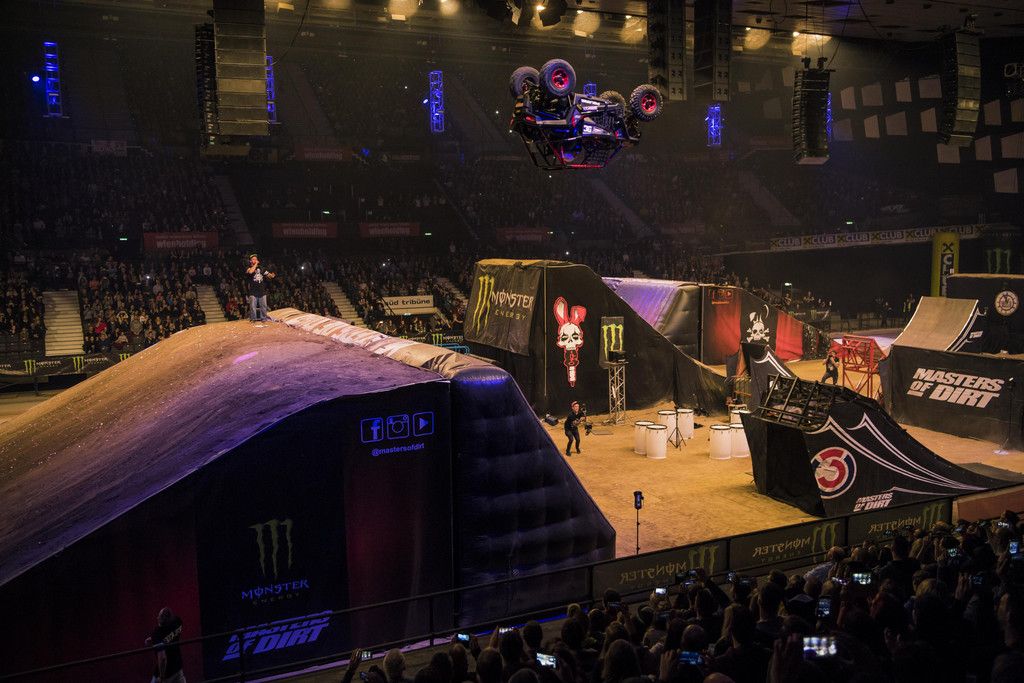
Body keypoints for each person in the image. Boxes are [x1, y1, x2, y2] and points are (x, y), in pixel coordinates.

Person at [146, 607, 184, 683]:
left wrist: (161, 677)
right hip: (178, 668)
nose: (157, 617)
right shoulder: (177, 622)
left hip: (166, 673)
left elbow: (162, 658)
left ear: (161, 619)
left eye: (159, 616)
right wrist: (152, 638)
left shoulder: (157, 633)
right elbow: (168, 635)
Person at [245, 253, 275, 323]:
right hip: (253, 291)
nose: (255, 260)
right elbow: (250, 272)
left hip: (262, 290)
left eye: (256, 259)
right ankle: (253, 319)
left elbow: (268, 275)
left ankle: (264, 319)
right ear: (250, 261)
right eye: (253, 259)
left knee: (264, 306)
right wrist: (256, 264)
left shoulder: (262, 268)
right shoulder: (248, 268)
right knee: (253, 307)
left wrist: (271, 275)